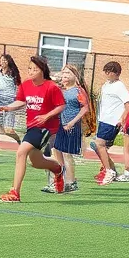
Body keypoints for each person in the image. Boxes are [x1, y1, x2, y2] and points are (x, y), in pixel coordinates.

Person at [0, 56, 67, 203]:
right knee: (36, 162)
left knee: (21, 152)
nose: (31, 71)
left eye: (35, 69)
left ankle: (15, 192)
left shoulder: (51, 87)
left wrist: (46, 116)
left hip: (45, 128)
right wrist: (9, 107)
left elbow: (61, 105)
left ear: (42, 71)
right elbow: (21, 101)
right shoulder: (26, 85)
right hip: (32, 127)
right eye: (29, 68)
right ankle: (58, 170)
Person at [50, 63, 90, 193]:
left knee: (67, 154)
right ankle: (60, 180)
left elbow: (85, 108)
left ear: (75, 75)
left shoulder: (78, 90)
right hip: (61, 125)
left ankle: (71, 182)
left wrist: (72, 122)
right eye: (64, 73)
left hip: (71, 126)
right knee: (57, 151)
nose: (65, 75)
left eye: (68, 73)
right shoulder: (62, 89)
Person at [92, 60, 129, 185]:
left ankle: (109, 171)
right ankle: (109, 170)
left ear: (116, 73)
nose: (107, 74)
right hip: (103, 120)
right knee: (98, 146)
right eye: (106, 72)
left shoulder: (120, 86)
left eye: (109, 72)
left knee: (99, 144)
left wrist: (121, 119)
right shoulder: (106, 85)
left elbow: (128, 105)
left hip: (112, 121)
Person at [0, 53, 21, 163]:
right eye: (1, 60)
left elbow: (18, 87)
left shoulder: (13, 74)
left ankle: (20, 141)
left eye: (5, 60)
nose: (3, 62)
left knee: (8, 130)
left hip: (9, 103)